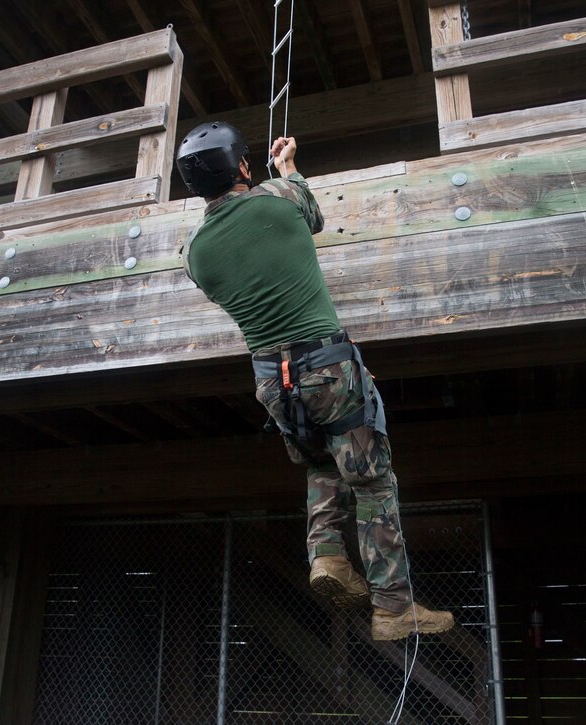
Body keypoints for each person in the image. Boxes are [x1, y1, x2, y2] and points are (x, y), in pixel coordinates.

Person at [175, 122, 453, 641]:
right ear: (240, 166)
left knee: (322, 462)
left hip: (272, 383)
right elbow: (313, 215)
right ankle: (393, 607)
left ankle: (327, 557)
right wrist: (288, 167)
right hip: (326, 364)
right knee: (372, 481)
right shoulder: (278, 197)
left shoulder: (193, 254)